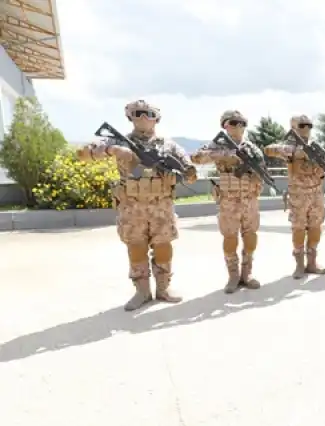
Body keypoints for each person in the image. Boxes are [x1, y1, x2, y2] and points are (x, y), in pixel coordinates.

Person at [77, 100, 197, 311]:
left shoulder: (168, 145)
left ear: (156, 118)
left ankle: (163, 288)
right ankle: (141, 291)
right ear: (130, 116)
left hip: (161, 207)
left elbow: (190, 173)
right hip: (131, 208)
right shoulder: (118, 141)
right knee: (136, 248)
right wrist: (112, 150)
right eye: (138, 113)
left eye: (148, 113)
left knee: (163, 248)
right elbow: (83, 155)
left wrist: (182, 172)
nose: (143, 117)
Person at [191, 110, 265, 293]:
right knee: (230, 238)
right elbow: (197, 158)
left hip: (249, 199)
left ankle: (246, 274)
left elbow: (262, 171)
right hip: (229, 200)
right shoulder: (216, 145)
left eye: (242, 123)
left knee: (250, 237)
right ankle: (233, 276)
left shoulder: (252, 148)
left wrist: (255, 175)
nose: (238, 126)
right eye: (233, 122)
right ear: (224, 125)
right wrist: (224, 154)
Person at [263, 114, 325, 279]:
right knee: (298, 228)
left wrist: (323, 171)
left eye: (309, 125)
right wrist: (294, 152)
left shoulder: (317, 147)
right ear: (293, 128)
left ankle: (312, 263)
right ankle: (300, 265)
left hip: (316, 193)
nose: (306, 129)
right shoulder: (288, 146)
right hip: (298, 194)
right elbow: (268, 149)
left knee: (316, 227)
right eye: (302, 125)